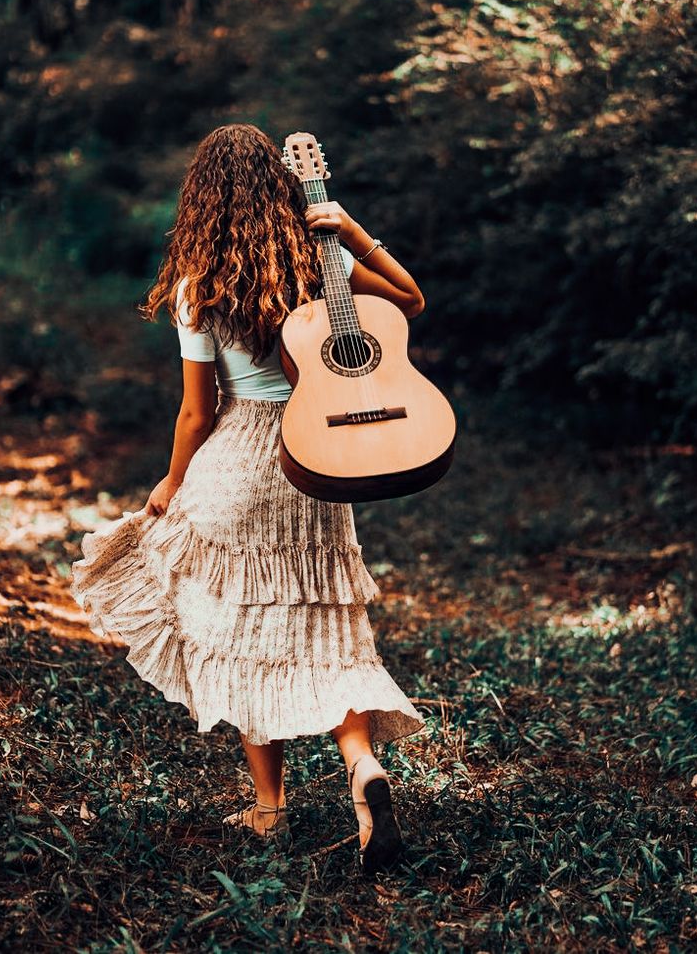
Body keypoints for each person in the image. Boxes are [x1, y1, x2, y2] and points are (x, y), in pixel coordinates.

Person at [70, 122, 427, 874]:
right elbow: (410, 299)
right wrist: (351, 230)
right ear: (279, 184)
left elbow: (198, 411)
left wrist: (170, 481)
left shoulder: (198, 284)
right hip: (315, 459)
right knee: (330, 627)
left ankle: (268, 805)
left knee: (237, 633)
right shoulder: (314, 262)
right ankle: (362, 769)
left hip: (237, 462)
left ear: (199, 198)